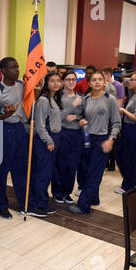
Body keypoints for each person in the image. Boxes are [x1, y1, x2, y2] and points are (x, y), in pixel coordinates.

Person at [69, 71, 121, 214]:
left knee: (94, 173)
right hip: (86, 139)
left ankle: (83, 205)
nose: (97, 82)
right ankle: (94, 198)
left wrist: (111, 140)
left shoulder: (110, 99)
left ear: (105, 82)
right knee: (85, 171)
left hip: (102, 140)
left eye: (100, 79)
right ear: (90, 83)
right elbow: (80, 116)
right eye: (94, 80)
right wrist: (80, 120)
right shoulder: (86, 99)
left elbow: (116, 123)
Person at [0, 57, 27, 219]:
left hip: (19, 129)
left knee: (20, 169)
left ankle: (24, 202)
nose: (17, 70)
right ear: (3, 70)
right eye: (13, 67)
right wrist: (5, 115)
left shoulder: (22, 85)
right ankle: (2, 205)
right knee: (0, 171)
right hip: (3, 130)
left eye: (17, 67)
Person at [25, 72, 63, 218]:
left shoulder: (55, 99)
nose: (55, 83)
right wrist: (48, 140)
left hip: (55, 138)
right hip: (45, 140)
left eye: (58, 81)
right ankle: (37, 204)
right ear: (47, 83)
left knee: (46, 173)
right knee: (42, 174)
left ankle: (43, 202)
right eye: (52, 81)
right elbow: (39, 125)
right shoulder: (43, 100)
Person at [51, 70, 83, 205]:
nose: (71, 82)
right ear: (63, 81)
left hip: (77, 135)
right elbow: (56, 116)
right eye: (68, 79)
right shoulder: (58, 97)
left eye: (73, 79)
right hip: (62, 133)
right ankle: (57, 192)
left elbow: (86, 114)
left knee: (72, 165)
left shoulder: (81, 97)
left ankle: (67, 192)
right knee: (60, 164)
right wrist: (72, 107)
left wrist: (78, 117)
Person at [115, 72, 136, 194]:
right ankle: (131, 181)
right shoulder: (135, 95)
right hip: (129, 128)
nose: (130, 81)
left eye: (133, 80)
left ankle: (128, 185)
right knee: (120, 155)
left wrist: (123, 110)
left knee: (131, 159)